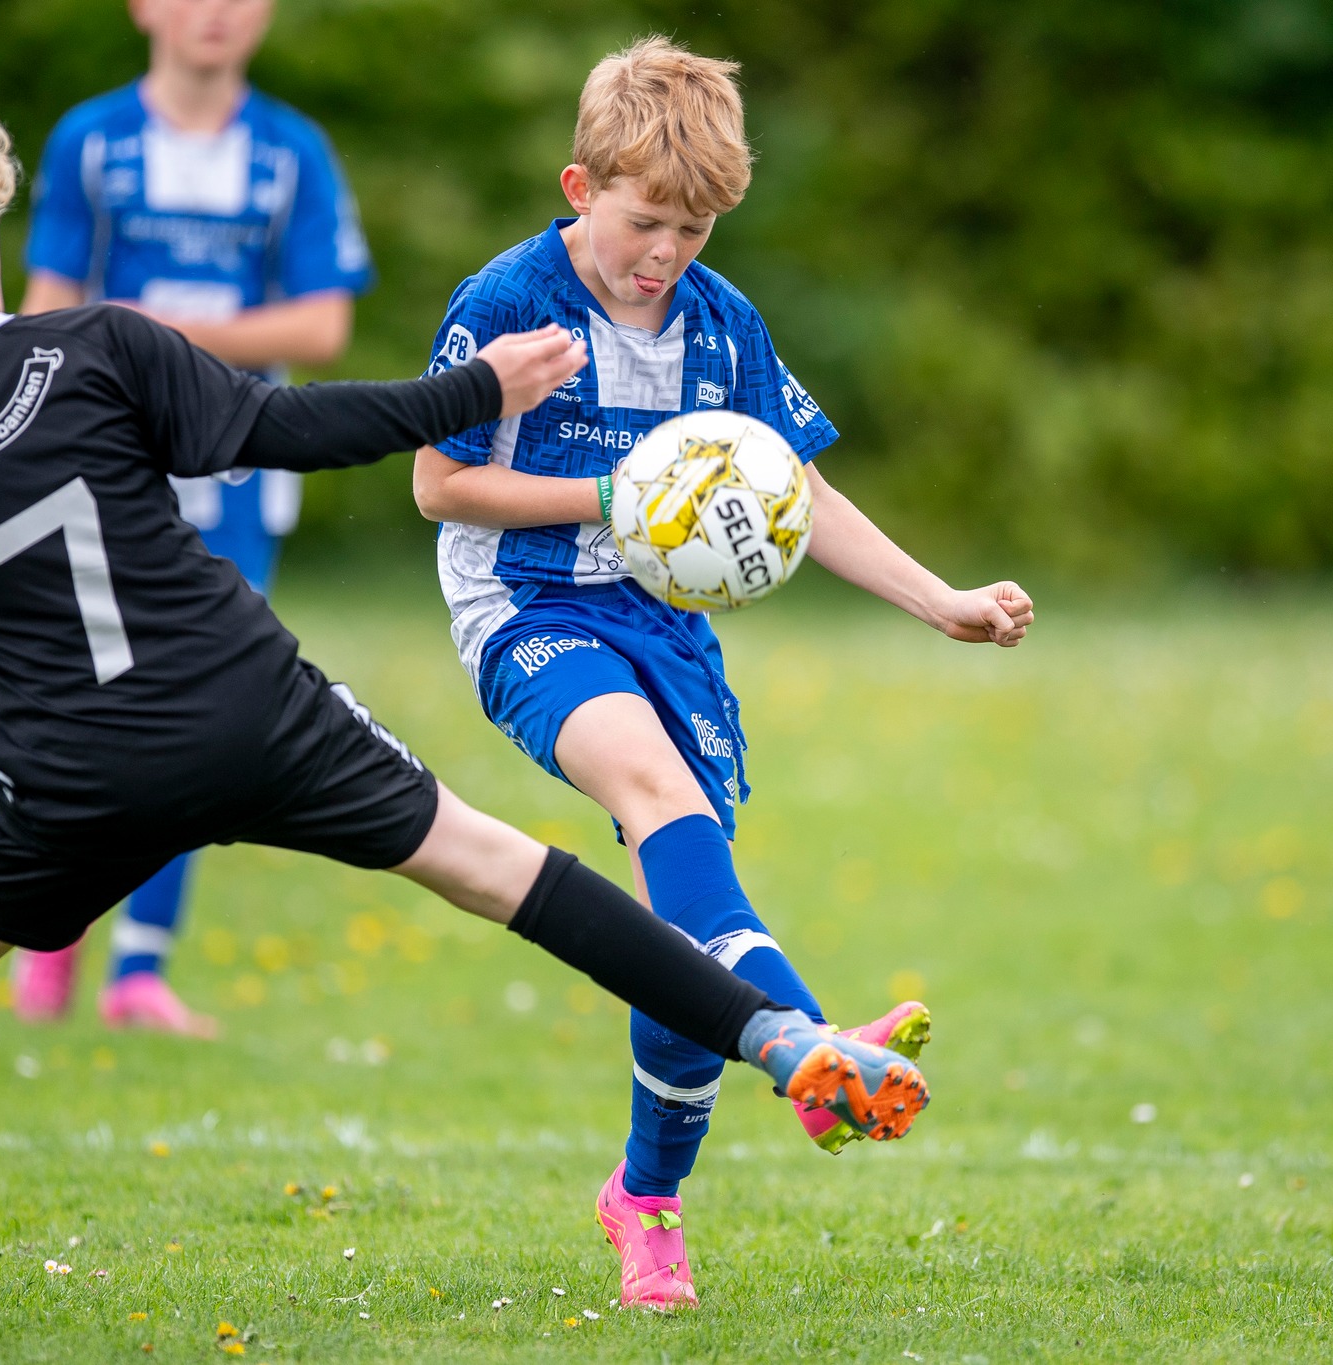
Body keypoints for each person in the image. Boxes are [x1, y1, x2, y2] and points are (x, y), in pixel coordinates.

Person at [0, 80, 929, 1340]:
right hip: (250, 705)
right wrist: (469, 393)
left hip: (67, 772)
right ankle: (776, 1038)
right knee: (504, 870)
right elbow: (286, 425)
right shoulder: (99, 345)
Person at [411, 37, 1031, 1311]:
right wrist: (617, 494)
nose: (664, 254)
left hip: (667, 626)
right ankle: (806, 1040)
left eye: (691, 231)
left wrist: (939, 601)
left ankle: (645, 1200)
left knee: (687, 907)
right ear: (580, 188)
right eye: (643, 223)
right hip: (527, 606)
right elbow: (436, 483)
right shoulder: (509, 299)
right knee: (657, 796)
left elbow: (797, 487)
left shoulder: (720, 323)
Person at [14, 0, 374, 1035]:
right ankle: (52, 929)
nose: (215, 11)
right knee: (86, 697)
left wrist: (163, 337)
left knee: (205, 711)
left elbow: (323, 321)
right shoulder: (91, 142)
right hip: (105, 466)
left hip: (237, 480)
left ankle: (139, 968)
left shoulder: (292, 152)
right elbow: (43, 309)